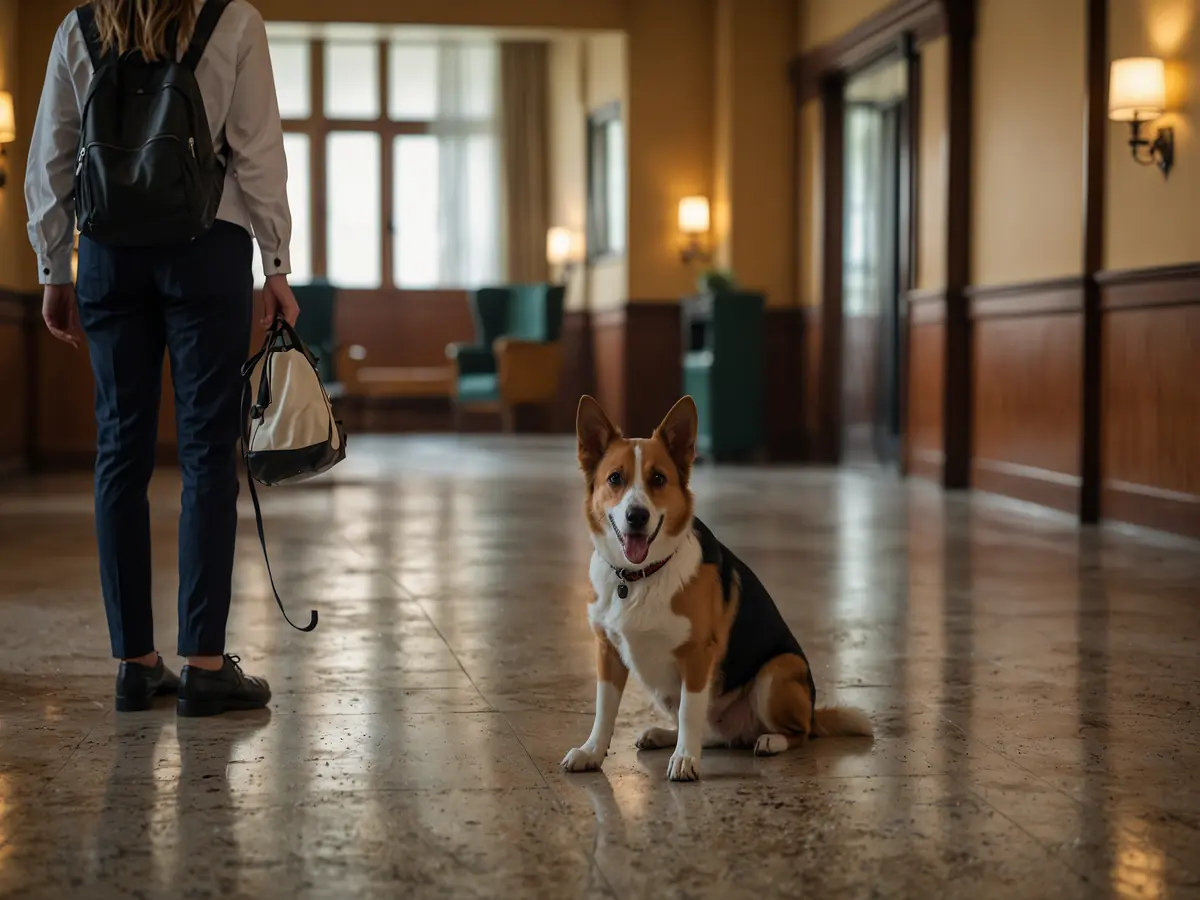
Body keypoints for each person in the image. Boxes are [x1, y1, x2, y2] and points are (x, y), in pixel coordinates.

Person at [25, 0, 298, 716]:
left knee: (120, 449)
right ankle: (205, 663)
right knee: (208, 450)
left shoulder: (78, 28)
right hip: (206, 245)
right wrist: (275, 262)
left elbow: (52, 152)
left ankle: (136, 663)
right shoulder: (234, 20)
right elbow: (258, 148)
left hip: (109, 250)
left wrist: (54, 269)